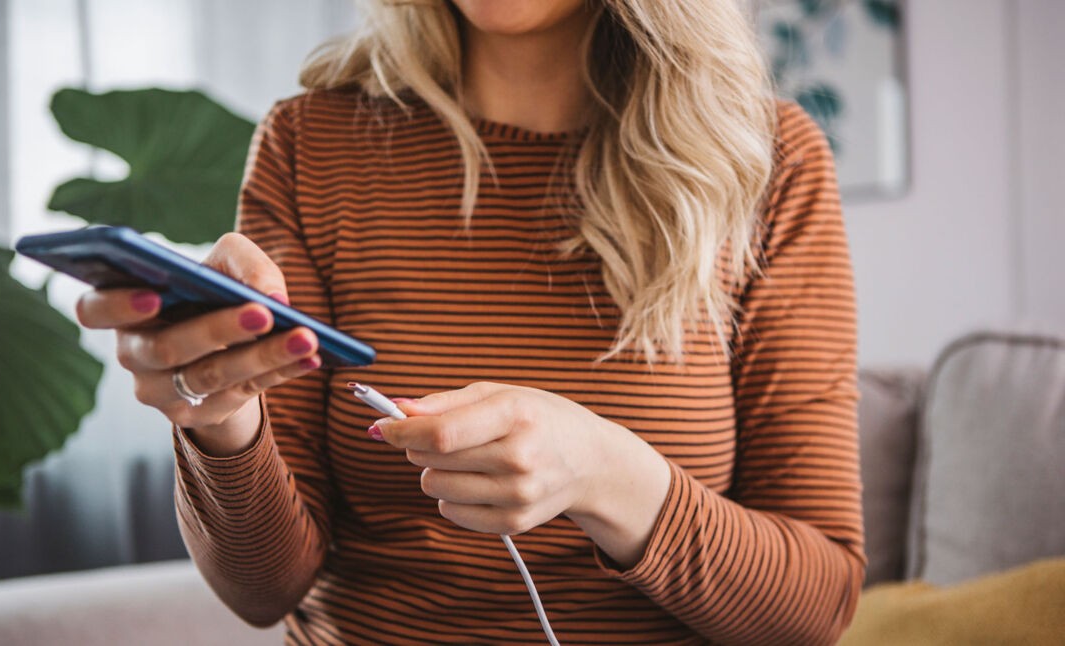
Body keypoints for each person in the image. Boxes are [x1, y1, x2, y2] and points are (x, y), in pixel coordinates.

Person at [75, 0, 865, 643]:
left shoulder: (769, 162)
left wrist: (605, 475)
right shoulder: (311, 144)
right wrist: (221, 420)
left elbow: (813, 610)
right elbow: (264, 591)